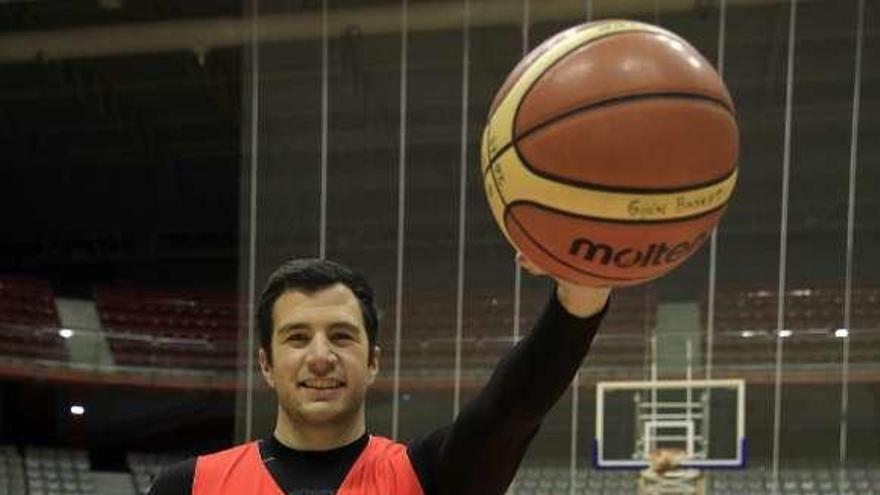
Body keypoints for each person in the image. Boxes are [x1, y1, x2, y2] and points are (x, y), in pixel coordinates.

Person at [149, 255, 610, 495]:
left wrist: (581, 294)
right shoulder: (187, 488)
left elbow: (509, 412)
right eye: (296, 338)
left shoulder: (430, 478)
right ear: (266, 364)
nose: (321, 356)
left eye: (343, 336)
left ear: (373, 362)